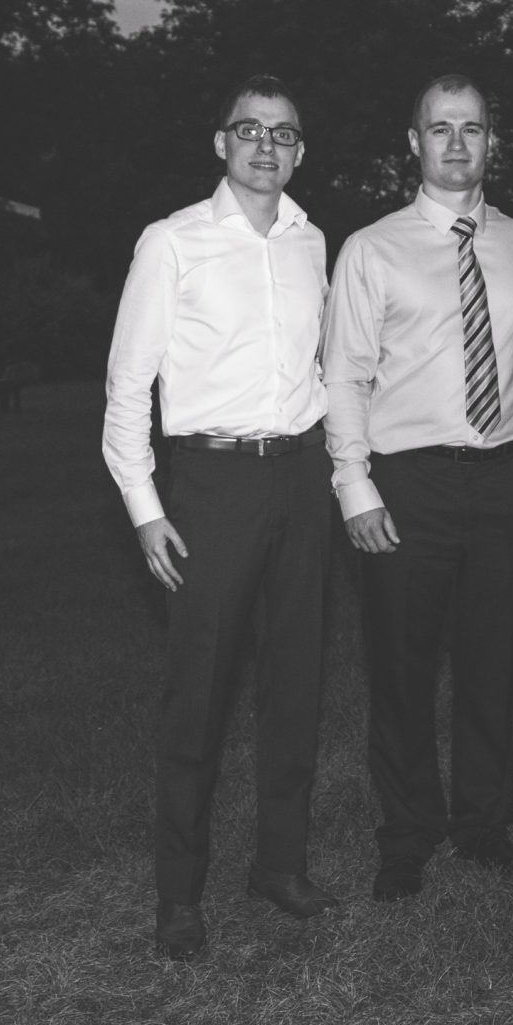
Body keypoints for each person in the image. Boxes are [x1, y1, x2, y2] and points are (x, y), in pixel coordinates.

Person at [103, 78, 340, 959]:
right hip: (210, 482)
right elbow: (127, 387)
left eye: (283, 133)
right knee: (197, 694)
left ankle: (280, 864)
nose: (266, 146)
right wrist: (145, 508)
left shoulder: (312, 240)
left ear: (300, 151)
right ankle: (179, 892)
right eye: (250, 130)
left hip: (301, 475)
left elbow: (321, 366)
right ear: (221, 142)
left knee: (295, 684)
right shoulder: (172, 241)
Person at [324, 76, 513, 903]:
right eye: (441, 128)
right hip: (408, 480)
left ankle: (484, 824)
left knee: (493, 660)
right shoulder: (371, 248)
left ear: (493, 140)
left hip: (506, 475)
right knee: (402, 665)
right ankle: (408, 832)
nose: (457, 143)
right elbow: (344, 372)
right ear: (414, 142)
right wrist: (354, 483)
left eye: (473, 128)